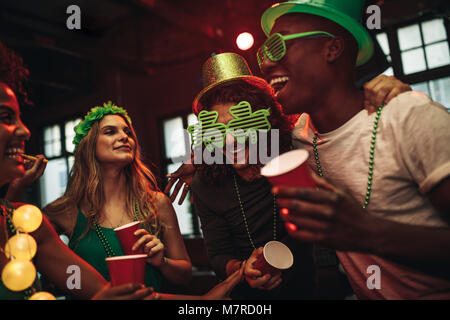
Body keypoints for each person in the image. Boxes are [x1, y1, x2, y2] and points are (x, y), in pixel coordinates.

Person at [168, 52, 411, 299]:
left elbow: (335, 116)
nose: (230, 140)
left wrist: (383, 90)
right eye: (219, 130)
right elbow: (218, 256)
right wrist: (244, 269)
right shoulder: (206, 183)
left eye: (241, 125)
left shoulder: (296, 148)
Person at [258, 0, 450, 299]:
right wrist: (199, 164)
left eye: (278, 46)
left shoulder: (408, 117)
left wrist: (367, 232)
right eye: (263, 53)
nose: (266, 63)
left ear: (332, 49)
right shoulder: (300, 139)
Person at [0, 41, 157, 300]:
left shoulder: (23, 222)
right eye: (6, 117)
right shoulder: (60, 212)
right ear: (88, 149)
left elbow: (108, 295)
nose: (25, 130)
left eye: (128, 131)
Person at [43, 101, 192, 292]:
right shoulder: (66, 210)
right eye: (110, 131)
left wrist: (162, 261)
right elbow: (17, 240)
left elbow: (185, 275)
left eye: (127, 132)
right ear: (89, 145)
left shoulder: (157, 203)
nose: (124, 137)